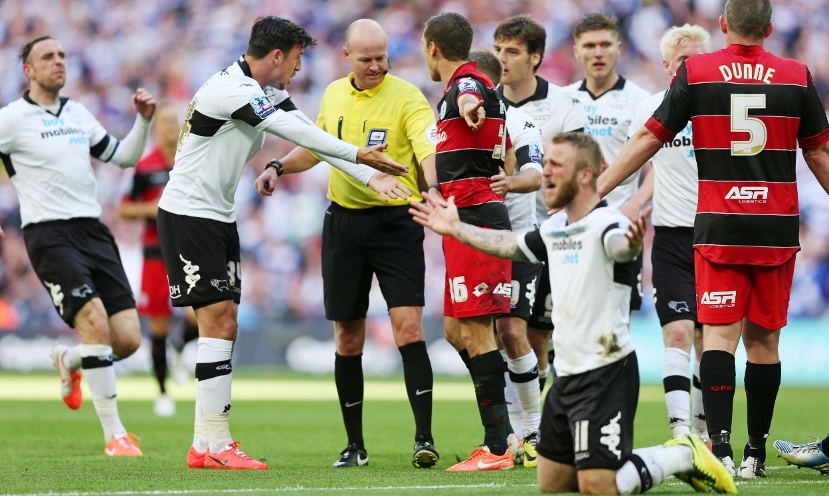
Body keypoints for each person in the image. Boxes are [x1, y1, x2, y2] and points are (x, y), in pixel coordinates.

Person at [409, 131, 736, 495]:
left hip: (606, 374)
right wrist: (457, 229)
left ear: (584, 175)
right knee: (553, 483)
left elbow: (619, 246)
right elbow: (511, 245)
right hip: (566, 376)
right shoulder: (554, 228)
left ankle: (683, 455)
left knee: (598, 485)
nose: (546, 172)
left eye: (556, 165)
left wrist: (629, 247)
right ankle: (671, 456)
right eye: (546, 163)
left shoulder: (610, 224)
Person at [157, 16, 408, 471]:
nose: (298, 69)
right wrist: (358, 154)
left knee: (224, 325)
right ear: (277, 56)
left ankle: (205, 443)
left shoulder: (265, 90)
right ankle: (216, 443)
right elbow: (298, 135)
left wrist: (367, 175)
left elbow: (311, 134)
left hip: (218, 216)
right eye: (296, 59)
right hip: (189, 214)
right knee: (220, 322)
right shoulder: (232, 89)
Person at [597, 0, 829, 479]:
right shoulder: (796, 75)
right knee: (765, 342)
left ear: (723, 25)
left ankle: (719, 450)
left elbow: (649, 138)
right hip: (775, 228)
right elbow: (819, 154)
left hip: (720, 225)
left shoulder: (698, 72)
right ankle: (754, 455)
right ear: (769, 28)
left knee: (719, 338)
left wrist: (594, 190)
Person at [254, 19, 438, 469]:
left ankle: (424, 439)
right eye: (367, 59)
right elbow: (317, 147)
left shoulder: (408, 97)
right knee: (347, 337)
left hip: (396, 224)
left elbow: (428, 149)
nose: (376, 66)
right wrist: (278, 165)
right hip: (344, 225)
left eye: (382, 58)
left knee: (408, 329)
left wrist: (432, 188)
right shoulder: (334, 93)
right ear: (347, 57)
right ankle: (354, 446)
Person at [0, 35, 156, 456]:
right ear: (28, 71)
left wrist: (143, 122)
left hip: (93, 231)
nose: (58, 62)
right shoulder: (11, 119)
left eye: (62, 55)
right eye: (47, 57)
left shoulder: (78, 112)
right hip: (49, 234)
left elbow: (123, 158)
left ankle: (69, 360)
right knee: (95, 322)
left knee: (127, 339)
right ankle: (115, 435)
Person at [420, 12, 514, 472]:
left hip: (475, 217)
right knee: (456, 331)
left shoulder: (467, 83)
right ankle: (506, 432)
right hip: (463, 217)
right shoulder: (463, 86)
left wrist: (470, 105)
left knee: (477, 332)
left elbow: (470, 98)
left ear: (432, 47)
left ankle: (497, 446)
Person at [621, 24, 710, 441]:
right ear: (667, 65)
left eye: (697, 60)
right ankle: (680, 432)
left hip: (715, 234)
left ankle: (704, 432)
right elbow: (651, 162)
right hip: (671, 237)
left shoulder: (719, 108)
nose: (689, 67)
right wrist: (635, 202)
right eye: (683, 61)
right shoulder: (651, 108)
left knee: (708, 339)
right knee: (677, 332)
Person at [468, 48, 544, 468]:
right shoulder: (449, 122)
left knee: (512, 331)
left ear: (491, 84)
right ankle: (505, 428)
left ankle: (532, 430)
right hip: (472, 241)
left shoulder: (519, 121)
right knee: (462, 334)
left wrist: (509, 183)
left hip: (516, 242)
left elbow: (535, 174)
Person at [117, 104, 199, 418]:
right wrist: (150, 209)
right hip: (155, 253)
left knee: (197, 316)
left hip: (187, 250)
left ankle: (181, 345)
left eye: (172, 123)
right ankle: (162, 391)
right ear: (156, 129)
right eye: (163, 123)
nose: (168, 128)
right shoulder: (144, 166)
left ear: (180, 127)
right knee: (159, 324)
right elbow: (124, 208)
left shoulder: (190, 159)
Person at [568, 13, 650, 312]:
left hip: (619, 227)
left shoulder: (641, 101)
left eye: (605, 44)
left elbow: (661, 165)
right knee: (567, 320)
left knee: (617, 321)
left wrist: (635, 204)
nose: (598, 53)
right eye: (589, 46)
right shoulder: (563, 100)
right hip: (571, 231)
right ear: (576, 51)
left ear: (619, 48)